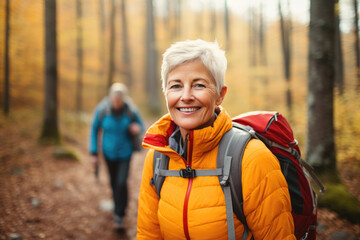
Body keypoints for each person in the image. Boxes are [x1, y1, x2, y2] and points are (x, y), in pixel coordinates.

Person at [137, 39, 296, 239]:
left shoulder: (252, 158)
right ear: (166, 93)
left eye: (199, 85)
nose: (186, 96)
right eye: (176, 86)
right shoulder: (157, 158)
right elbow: (147, 234)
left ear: (220, 95)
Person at [89, 82, 144, 228]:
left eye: (119, 101)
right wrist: (93, 151)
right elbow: (94, 129)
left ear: (123, 99)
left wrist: (136, 128)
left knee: (121, 182)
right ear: (110, 98)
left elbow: (141, 126)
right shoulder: (102, 110)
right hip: (108, 152)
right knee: (114, 182)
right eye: (114, 100)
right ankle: (118, 203)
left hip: (125, 152)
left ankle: (119, 213)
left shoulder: (131, 110)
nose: (116, 103)